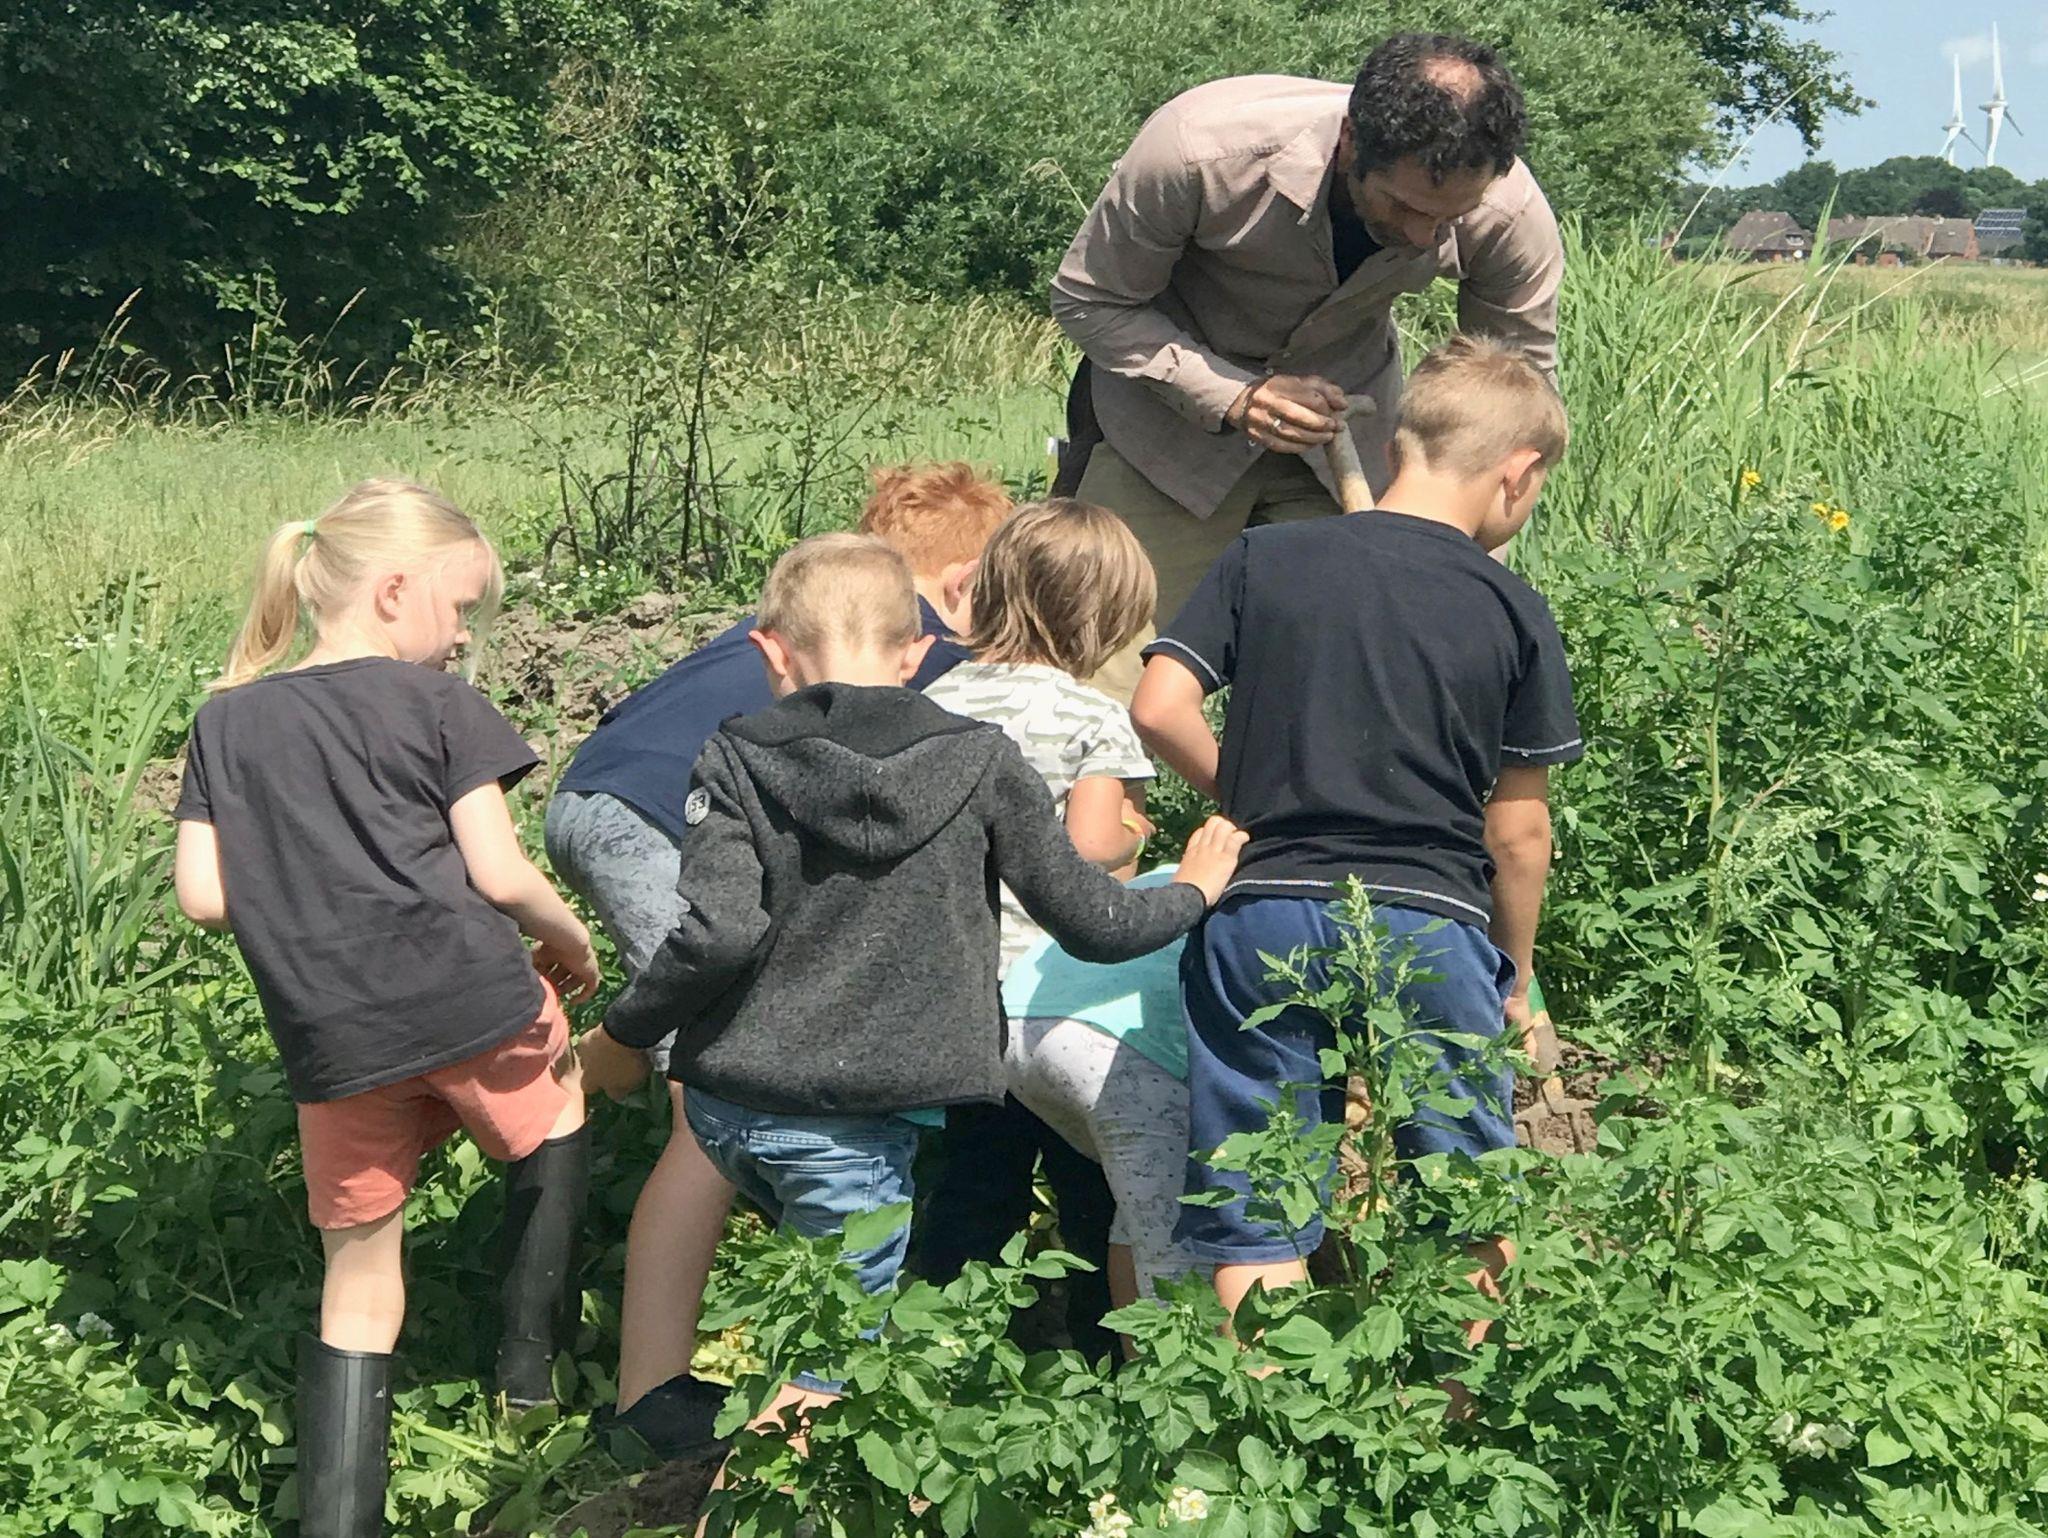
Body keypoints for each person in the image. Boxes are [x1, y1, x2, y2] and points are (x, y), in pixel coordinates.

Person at [575, 532, 1247, 1459]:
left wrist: (619, 1034)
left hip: (735, 1111)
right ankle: (751, 1503)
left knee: (861, 1299)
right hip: (857, 1123)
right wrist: (1194, 891)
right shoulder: (981, 760)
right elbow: (1093, 922)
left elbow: (718, 933)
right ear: (917, 651)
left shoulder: (733, 755)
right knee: (826, 1382)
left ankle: (846, 1455)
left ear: (770, 651)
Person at [1129, 335, 1579, 1338]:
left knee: (1260, 1190)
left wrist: (1253, 804)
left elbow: (1157, 706)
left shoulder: (1265, 557)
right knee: (1465, 1193)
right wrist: (1514, 974)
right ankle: (1452, 1408)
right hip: (1430, 917)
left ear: (1401, 443)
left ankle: (1271, 1407)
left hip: (1263, 912)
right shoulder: (1512, 605)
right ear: (1517, 474)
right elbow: (1517, 830)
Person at [171, 480, 597, 1538]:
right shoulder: (436, 704)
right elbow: (499, 875)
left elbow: (204, 898)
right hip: (471, 999)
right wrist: (574, 938)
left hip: (333, 1038)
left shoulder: (225, 720)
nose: (463, 637)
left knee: (357, 1279)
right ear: (397, 591)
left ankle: (337, 1525)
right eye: (461, 609)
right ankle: (529, 1378)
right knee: (562, 1104)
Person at [1051, 32, 1563, 701]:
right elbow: (1090, 299)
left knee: (1347, 688)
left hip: (1342, 448)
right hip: (1162, 441)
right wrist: (1234, 397)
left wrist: (1463, 559)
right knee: (1097, 679)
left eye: (1450, 219)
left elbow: (1514, 396)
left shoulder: (1507, 212)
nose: (1422, 237)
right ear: (1351, 142)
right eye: (1405, 207)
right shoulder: (1200, 150)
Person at [917, 499, 1194, 1323]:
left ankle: (945, 1342)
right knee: (1090, 1190)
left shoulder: (935, 699)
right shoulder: (1090, 715)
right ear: (1105, 619)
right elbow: (1089, 849)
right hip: (1049, 993)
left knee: (972, 1185)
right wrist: (1138, 833)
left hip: (951, 991)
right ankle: (1104, 1349)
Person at [1001, 869, 1202, 1331]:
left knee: (1136, 1214)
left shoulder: (1179, 872)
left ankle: (1135, 1365)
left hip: (1018, 1025)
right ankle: (1182, 1369)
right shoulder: (1259, 889)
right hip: (1113, 1045)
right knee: (1171, 1237)